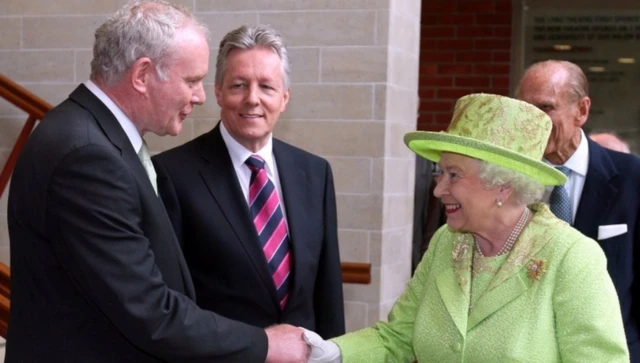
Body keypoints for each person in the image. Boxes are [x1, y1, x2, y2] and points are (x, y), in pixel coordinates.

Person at [6, 2, 309, 362]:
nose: (199, 96)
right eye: (192, 81)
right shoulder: (88, 156)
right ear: (143, 75)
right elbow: (150, 312)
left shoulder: (93, 136)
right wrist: (267, 345)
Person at [301, 93, 629, 362]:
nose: (438, 189)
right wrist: (331, 353)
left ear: (502, 185)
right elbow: (399, 337)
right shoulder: (447, 242)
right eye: (440, 172)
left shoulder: (571, 256)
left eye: (453, 175)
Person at [152, 24, 345, 339]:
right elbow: (172, 299)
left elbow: (328, 293)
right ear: (218, 92)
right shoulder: (172, 175)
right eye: (239, 85)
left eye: (267, 87)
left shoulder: (315, 173)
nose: (252, 99)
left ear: (284, 98)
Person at [517, 59, 640, 361]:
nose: (532, 120)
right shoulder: (507, 181)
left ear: (581, 111)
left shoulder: (632, 178)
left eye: (545, 108)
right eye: (525, 108)